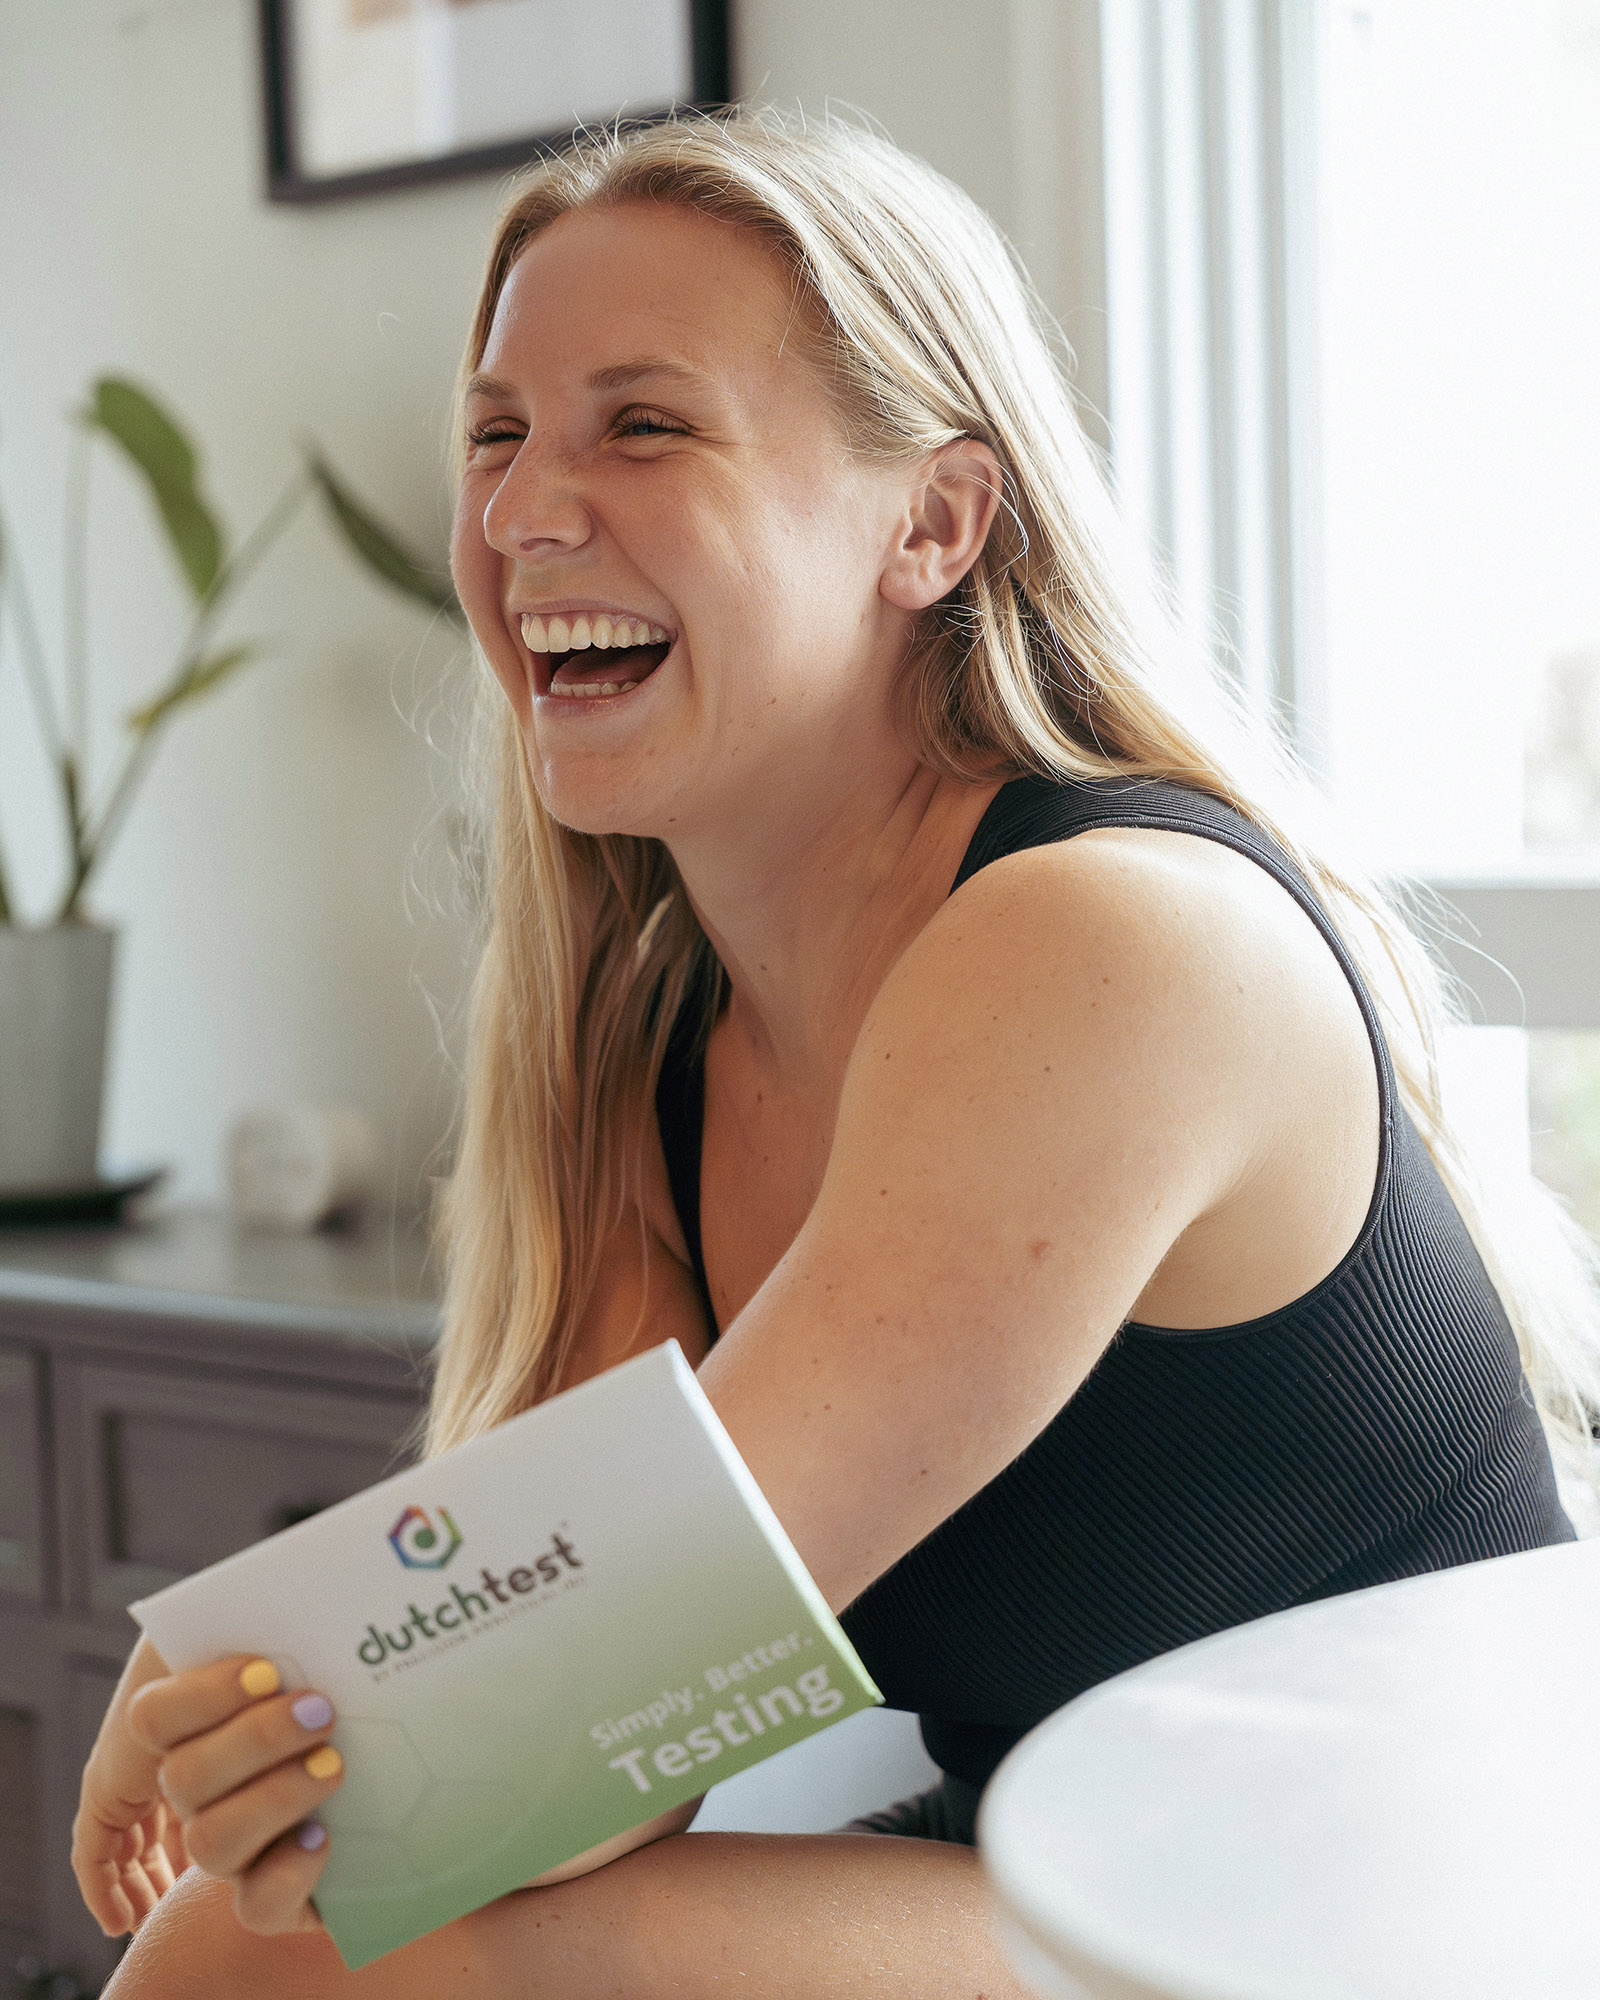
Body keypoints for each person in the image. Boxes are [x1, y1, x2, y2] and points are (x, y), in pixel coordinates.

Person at [73, 109, 1596, 1998]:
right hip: (1070, 1873)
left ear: (935, 524)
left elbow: (542, 1720)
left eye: (644, 423)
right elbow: (576, 1779)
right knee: (272, 1949)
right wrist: (304, 1695)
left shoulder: (1103, 938)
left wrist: (277, 1687)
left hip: (1387, 1928)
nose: (524, 510)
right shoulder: (655, 1033)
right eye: (497, 433)